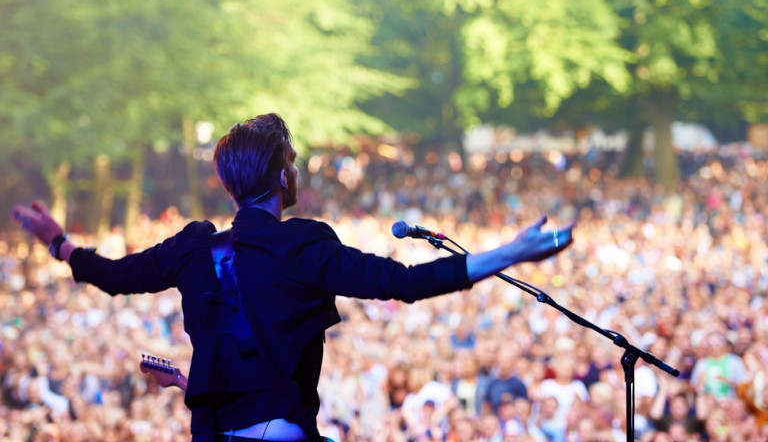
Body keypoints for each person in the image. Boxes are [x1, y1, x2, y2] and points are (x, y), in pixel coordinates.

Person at [11, 113, 575, 442]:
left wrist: (59, 244)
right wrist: (509, 253)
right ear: (282, 173)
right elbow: (402, 283)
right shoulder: (301, 243)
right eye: (295, 159)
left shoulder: (193, 248)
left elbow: (115, 276)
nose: (297, 168)